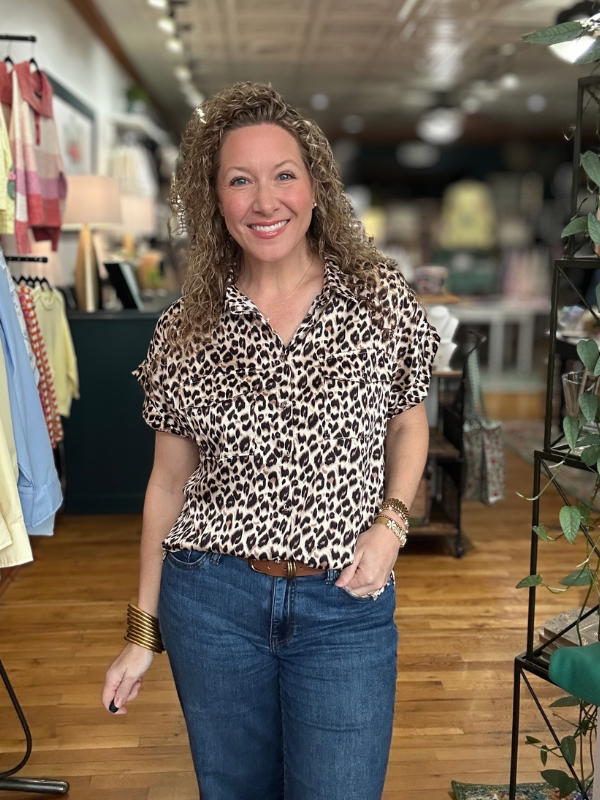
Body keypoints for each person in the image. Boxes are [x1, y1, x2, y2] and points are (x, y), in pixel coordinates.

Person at [102, 82, 439, 800]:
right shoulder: (185, 330)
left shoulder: (378, 297)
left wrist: (391, 525)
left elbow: (408, 419)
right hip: (213, 603)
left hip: (345, 607)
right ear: (214, 199)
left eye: (284, 175)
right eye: (240, 180)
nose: (265, 201)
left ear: (315, 187)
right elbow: (167, 486)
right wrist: (142, 631)